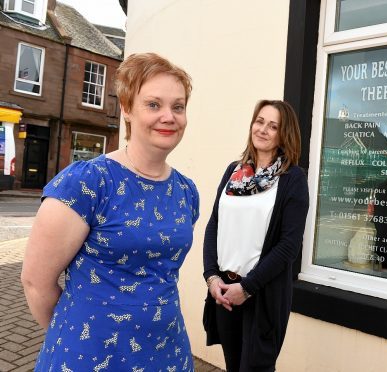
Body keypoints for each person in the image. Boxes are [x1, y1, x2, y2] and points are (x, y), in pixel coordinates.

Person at [21, 53, 199, 371]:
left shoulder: (186, 192)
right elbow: (36, 281)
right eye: (154, 104)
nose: (169, 117)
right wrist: (74, 338)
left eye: (178, 106)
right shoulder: (88, 182)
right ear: (127, 109)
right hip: (88, 358)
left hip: (167, 354)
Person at [202, 100, 309, 372]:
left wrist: (248, 288)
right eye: (259, 121)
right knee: (233, 365)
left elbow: (289, 246)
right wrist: (211, 277)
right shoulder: (234, 172)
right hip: (225, 290)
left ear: (284, 135)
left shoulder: (292, 179)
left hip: (261, 293)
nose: (262, 129)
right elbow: (215, 224)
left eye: (273, 126)